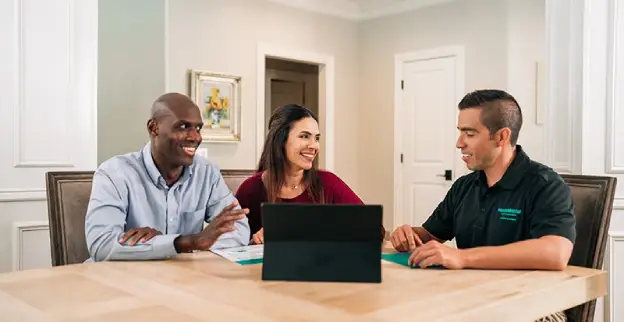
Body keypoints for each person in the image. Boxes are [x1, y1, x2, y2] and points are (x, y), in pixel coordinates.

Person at [390, 89, 574, 321]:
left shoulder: (545, 185)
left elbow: (555, 253)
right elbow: (430, 235)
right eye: (460, 133)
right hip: (472, 298)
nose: (459, 143)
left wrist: (463, 258)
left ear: (501, 137)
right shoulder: (464, 186)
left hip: (533, 306)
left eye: (469, 134)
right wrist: (409, 234)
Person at [85, 93, 250, 262]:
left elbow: (240, 231)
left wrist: (182, 245)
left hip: (181, 279)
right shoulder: (114, 173)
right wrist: (182, 243)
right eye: (184, 126)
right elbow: (102, 245)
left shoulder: (207, 172)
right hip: (120, 281)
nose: (195, 137)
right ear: (153, 128)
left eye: (198, 128)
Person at [235, 104, 386, 244]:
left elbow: (375, 230)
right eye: (304, 136)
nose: (314, 146)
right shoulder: (250, 190)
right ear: (280, 140)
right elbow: (231, 243)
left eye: (316, 138)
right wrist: (253, 243)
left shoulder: (328, 183)